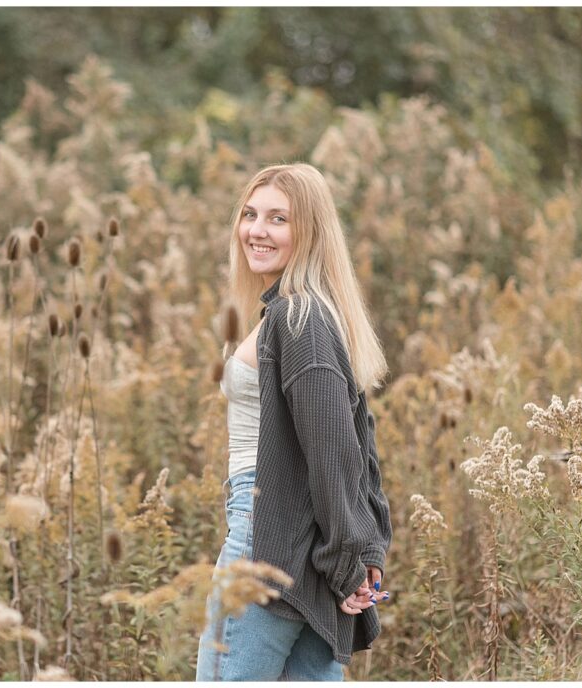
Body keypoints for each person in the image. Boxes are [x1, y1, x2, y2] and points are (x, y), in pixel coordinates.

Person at [195, 163, 393, 681]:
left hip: (268, 537)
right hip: (304, 539)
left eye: (278, 219)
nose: (257, 230)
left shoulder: (298, 318)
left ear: (310, 232)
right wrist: (358, 548)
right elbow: (355, 442)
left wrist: (352, 557)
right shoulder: (301, 313)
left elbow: (336, 452)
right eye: (250, 214)